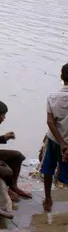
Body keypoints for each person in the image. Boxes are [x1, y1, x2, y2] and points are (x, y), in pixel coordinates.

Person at [40, 63, 68, 211]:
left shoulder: (52, 97)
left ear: (62, 77)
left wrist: (61, 142)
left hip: (54, 139)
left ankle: (48, 200)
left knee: (48, 169)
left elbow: (50, 122)